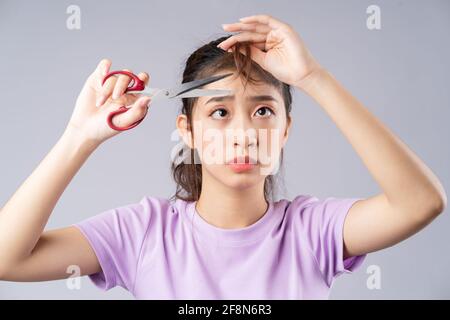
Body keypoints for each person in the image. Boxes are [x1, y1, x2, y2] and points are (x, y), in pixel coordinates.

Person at [0, 14, 446, 299]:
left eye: (264, 110)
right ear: (187, 131)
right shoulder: (141, 234)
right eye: (219, 111)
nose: (245, 133)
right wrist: (79, 136)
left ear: (285, 129)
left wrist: (312, 77)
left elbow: (420, 203)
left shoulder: (313, 231)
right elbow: (7, 260)